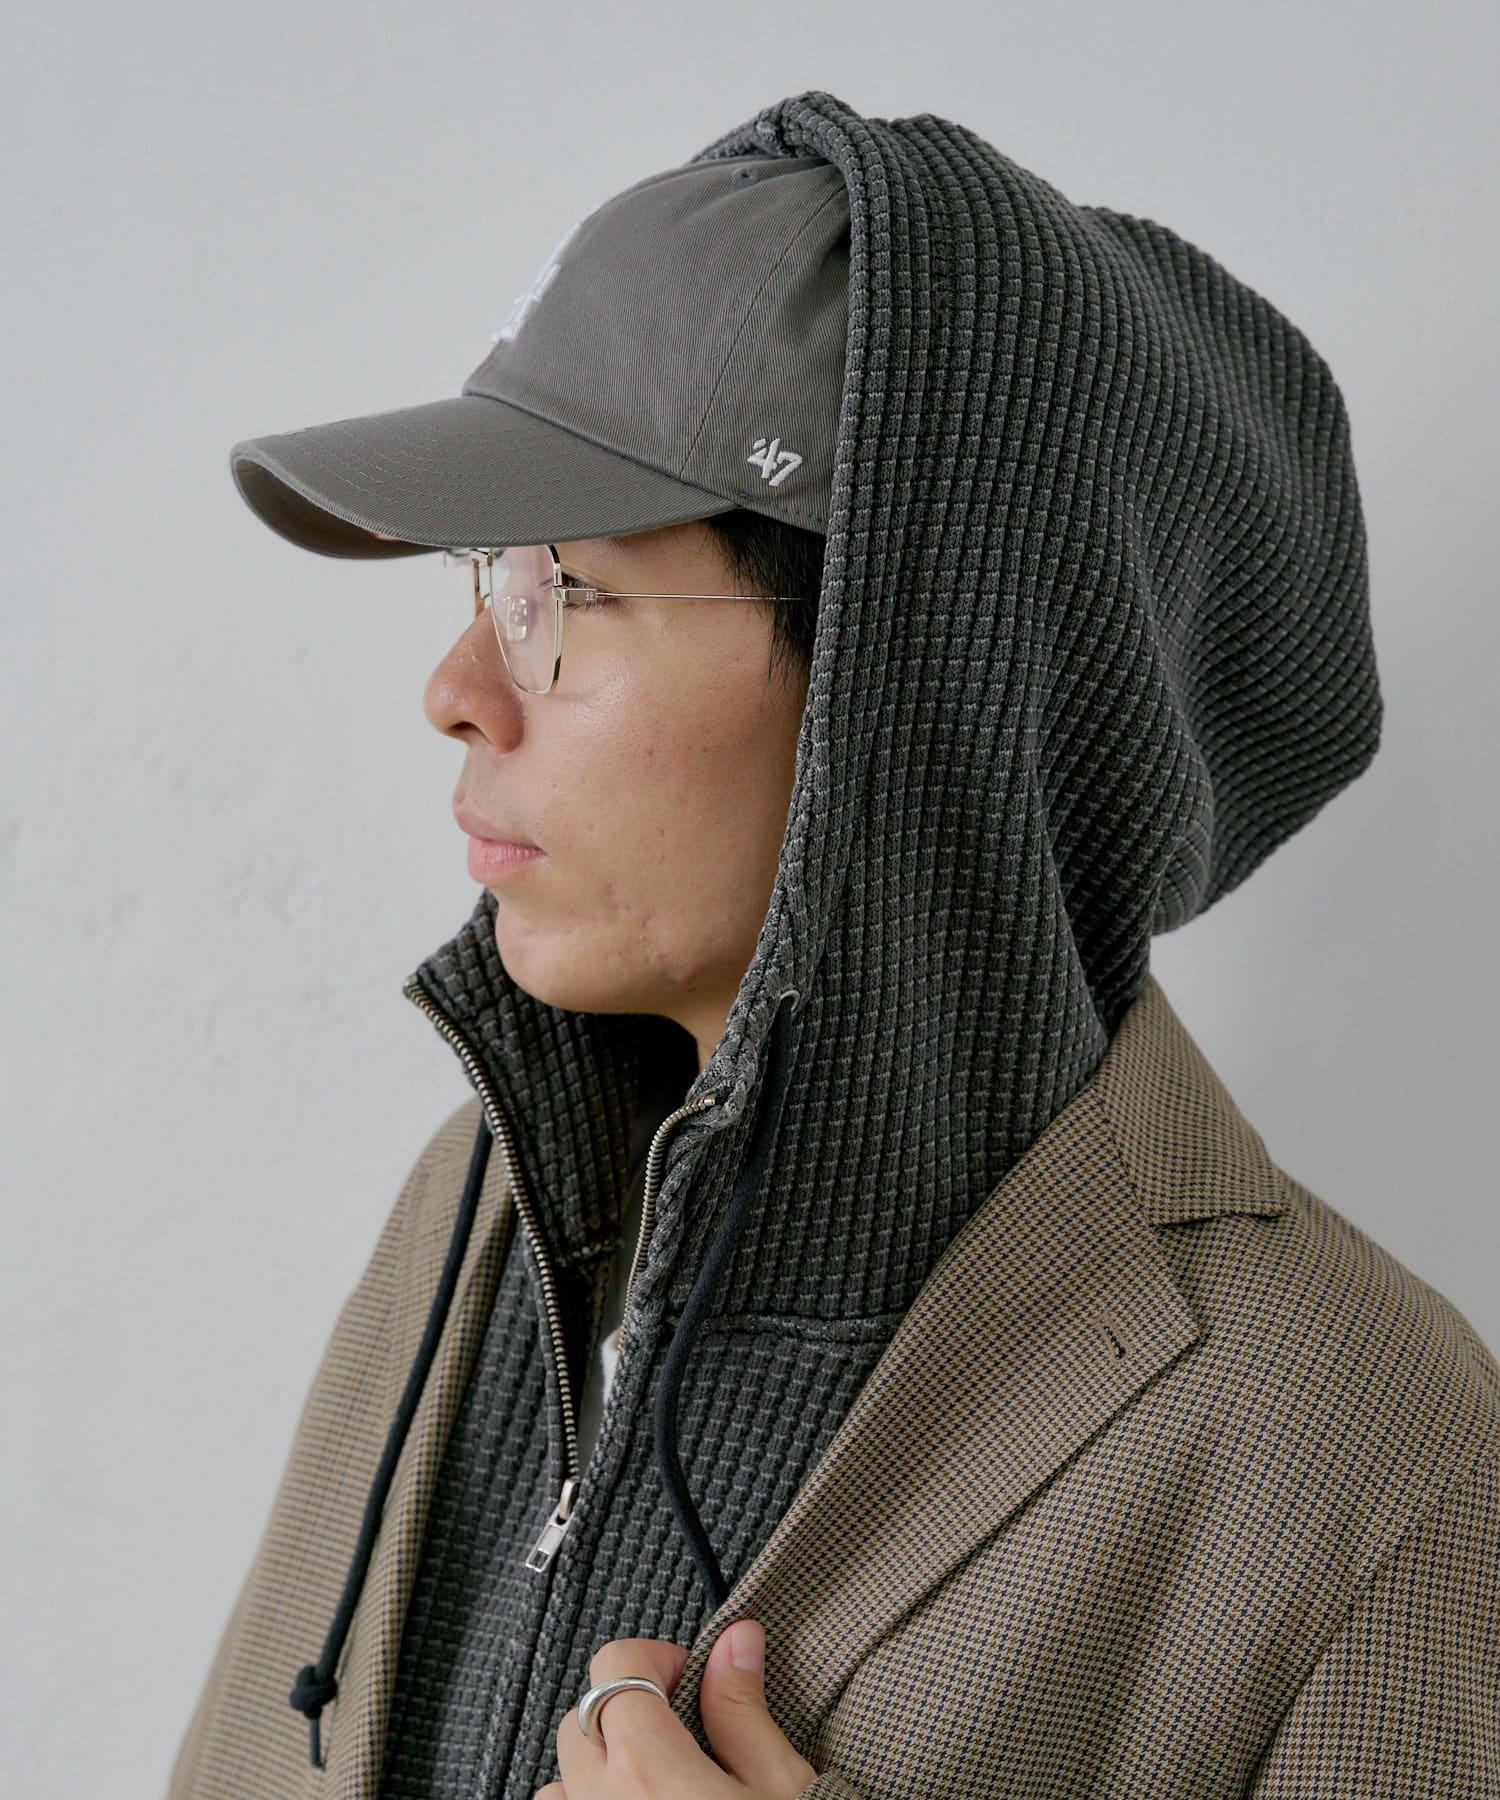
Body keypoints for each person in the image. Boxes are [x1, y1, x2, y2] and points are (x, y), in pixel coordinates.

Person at [169, 90, 1498, 1800]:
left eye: (572, 592)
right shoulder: (481, 1215)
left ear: (913, 684)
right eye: (488, 576)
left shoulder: (1369, 1470)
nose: (457, 689)